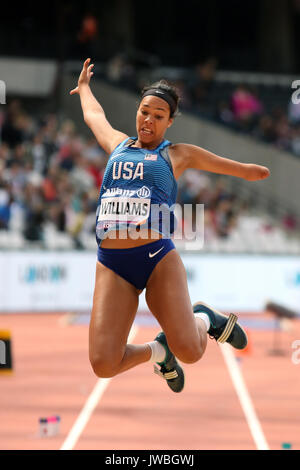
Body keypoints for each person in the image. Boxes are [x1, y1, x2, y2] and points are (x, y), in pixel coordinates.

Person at [70, 59, 270, 393]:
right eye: (144, 111)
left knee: (191, 351)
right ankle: (159, 352)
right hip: (113, 265)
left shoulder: (176, 155)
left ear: (170, 122)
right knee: (104, 364)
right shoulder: (117, 145)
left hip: (157, 259)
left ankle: (205, 317)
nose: (148, 120)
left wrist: (255, 170)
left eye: (158, 116)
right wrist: (86, 89)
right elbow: (94, 117)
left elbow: (235, 168)